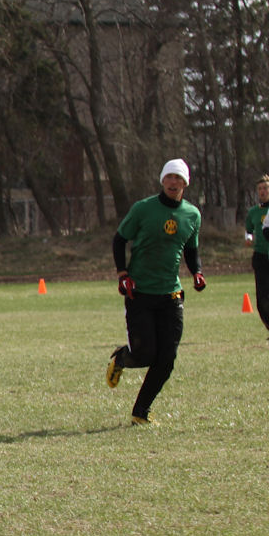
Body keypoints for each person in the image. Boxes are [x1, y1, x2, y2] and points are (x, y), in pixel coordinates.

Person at [106, 159, 205, 425]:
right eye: (169, 177)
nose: (174, 182)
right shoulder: (143, 208)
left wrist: (196, 271)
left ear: (185, 183)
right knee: (145, 354)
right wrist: (122, 274)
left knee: (167, 359)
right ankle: (121, 359)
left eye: (179, 178)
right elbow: (120, 239)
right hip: (140, 293)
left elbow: (191, 248)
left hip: (171, 295)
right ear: (162, 180)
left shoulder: (192, 215)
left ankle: (141, 412)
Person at [244, 174, 269, 339]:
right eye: (260, 189)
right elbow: (248, 230)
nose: (263, 191)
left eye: (266, 188)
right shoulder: (253, 212)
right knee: (262, 296)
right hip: (260, 256)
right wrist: (248, 238)